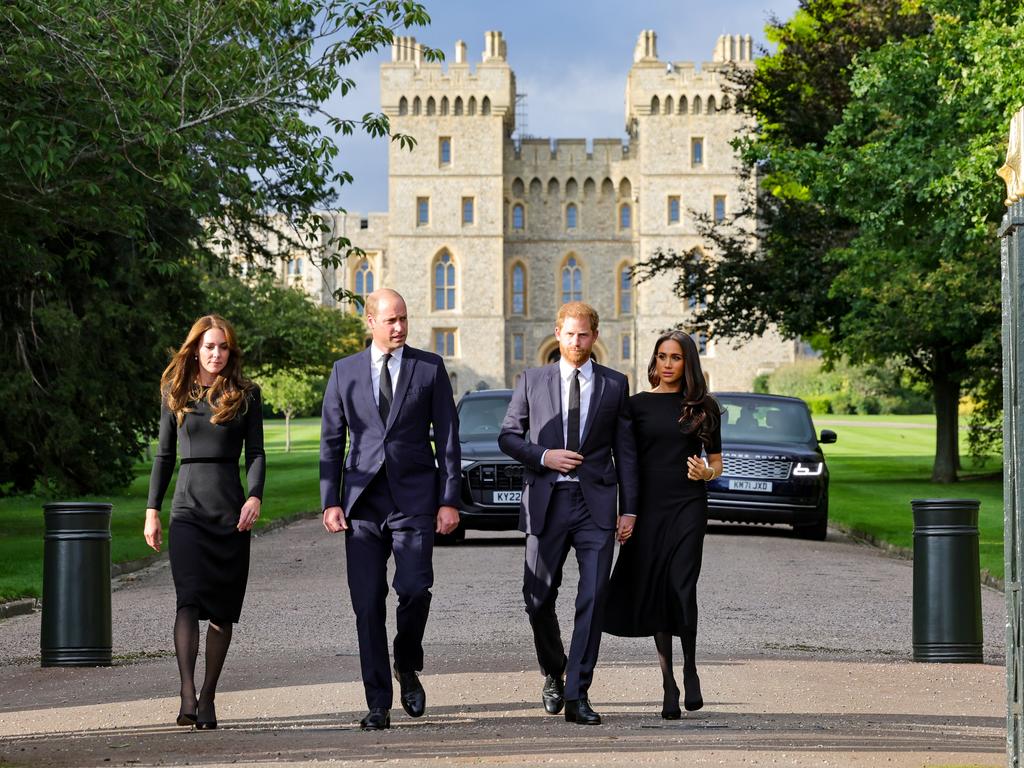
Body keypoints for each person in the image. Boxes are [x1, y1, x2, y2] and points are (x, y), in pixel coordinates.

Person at [319, 288, 461, 731]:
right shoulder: (345, 372)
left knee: (415, 588)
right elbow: (330, 442)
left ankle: (407, 662)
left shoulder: (429, 367)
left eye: (404, 319)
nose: (399, 327)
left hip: (415, 499)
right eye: (391, 320)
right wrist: (331, 500)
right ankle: (377, 702)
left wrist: (448, 499)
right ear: (370, 322)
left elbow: (449, 438)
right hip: (362, 503)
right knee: (367, 603)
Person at [498, 301, 638, 725]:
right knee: (537, 598)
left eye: (584, 335)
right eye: (570, 334)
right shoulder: (531, 380)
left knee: (594, 598)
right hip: (547, 501)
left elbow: (626, 453)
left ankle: (578, 694)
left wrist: (629, 510)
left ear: (595, 337)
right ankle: (554, 670)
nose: (576, 342)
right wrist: (543, 456)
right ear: (557, 333)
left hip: (596, 505)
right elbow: (508, 436)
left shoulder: (615, 384)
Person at [144, 314, 265, 730]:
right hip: (188, 512)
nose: (216, 353)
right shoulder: (175, 391)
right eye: (209, 346)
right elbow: (163, 455)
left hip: (231, 513)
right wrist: (151, 510)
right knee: (188, 599)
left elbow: (258, 454)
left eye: (223, 347)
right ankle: (187, 691)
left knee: (222, 610)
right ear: (196, 347)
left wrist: (255, 495)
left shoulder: (246, 394)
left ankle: (210, 695)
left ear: (230, 352)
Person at [604, 330, 723, 719]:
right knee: (656, 589)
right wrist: (627, 512)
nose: (667, 364)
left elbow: (717, 462)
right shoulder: (635, 406)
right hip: (649, 509)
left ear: (688, 362)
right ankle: (668, 681)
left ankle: (690, 667)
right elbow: (627, 464)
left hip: (689, 505)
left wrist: (706, 473)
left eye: (675, 357)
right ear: (654, 362)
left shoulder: (704, 406)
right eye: (661, 356)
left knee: (681, 586)